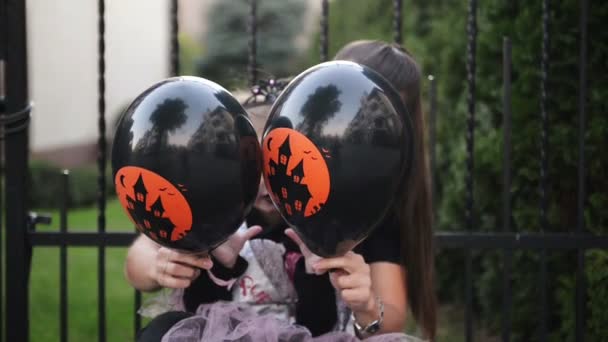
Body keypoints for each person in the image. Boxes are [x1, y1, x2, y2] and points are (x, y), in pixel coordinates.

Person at [125, 40, 436, 341]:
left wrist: (366, 304)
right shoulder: (218, 196)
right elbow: (140, 258)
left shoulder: (363, 213)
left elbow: (391, 316)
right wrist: (158, 266)